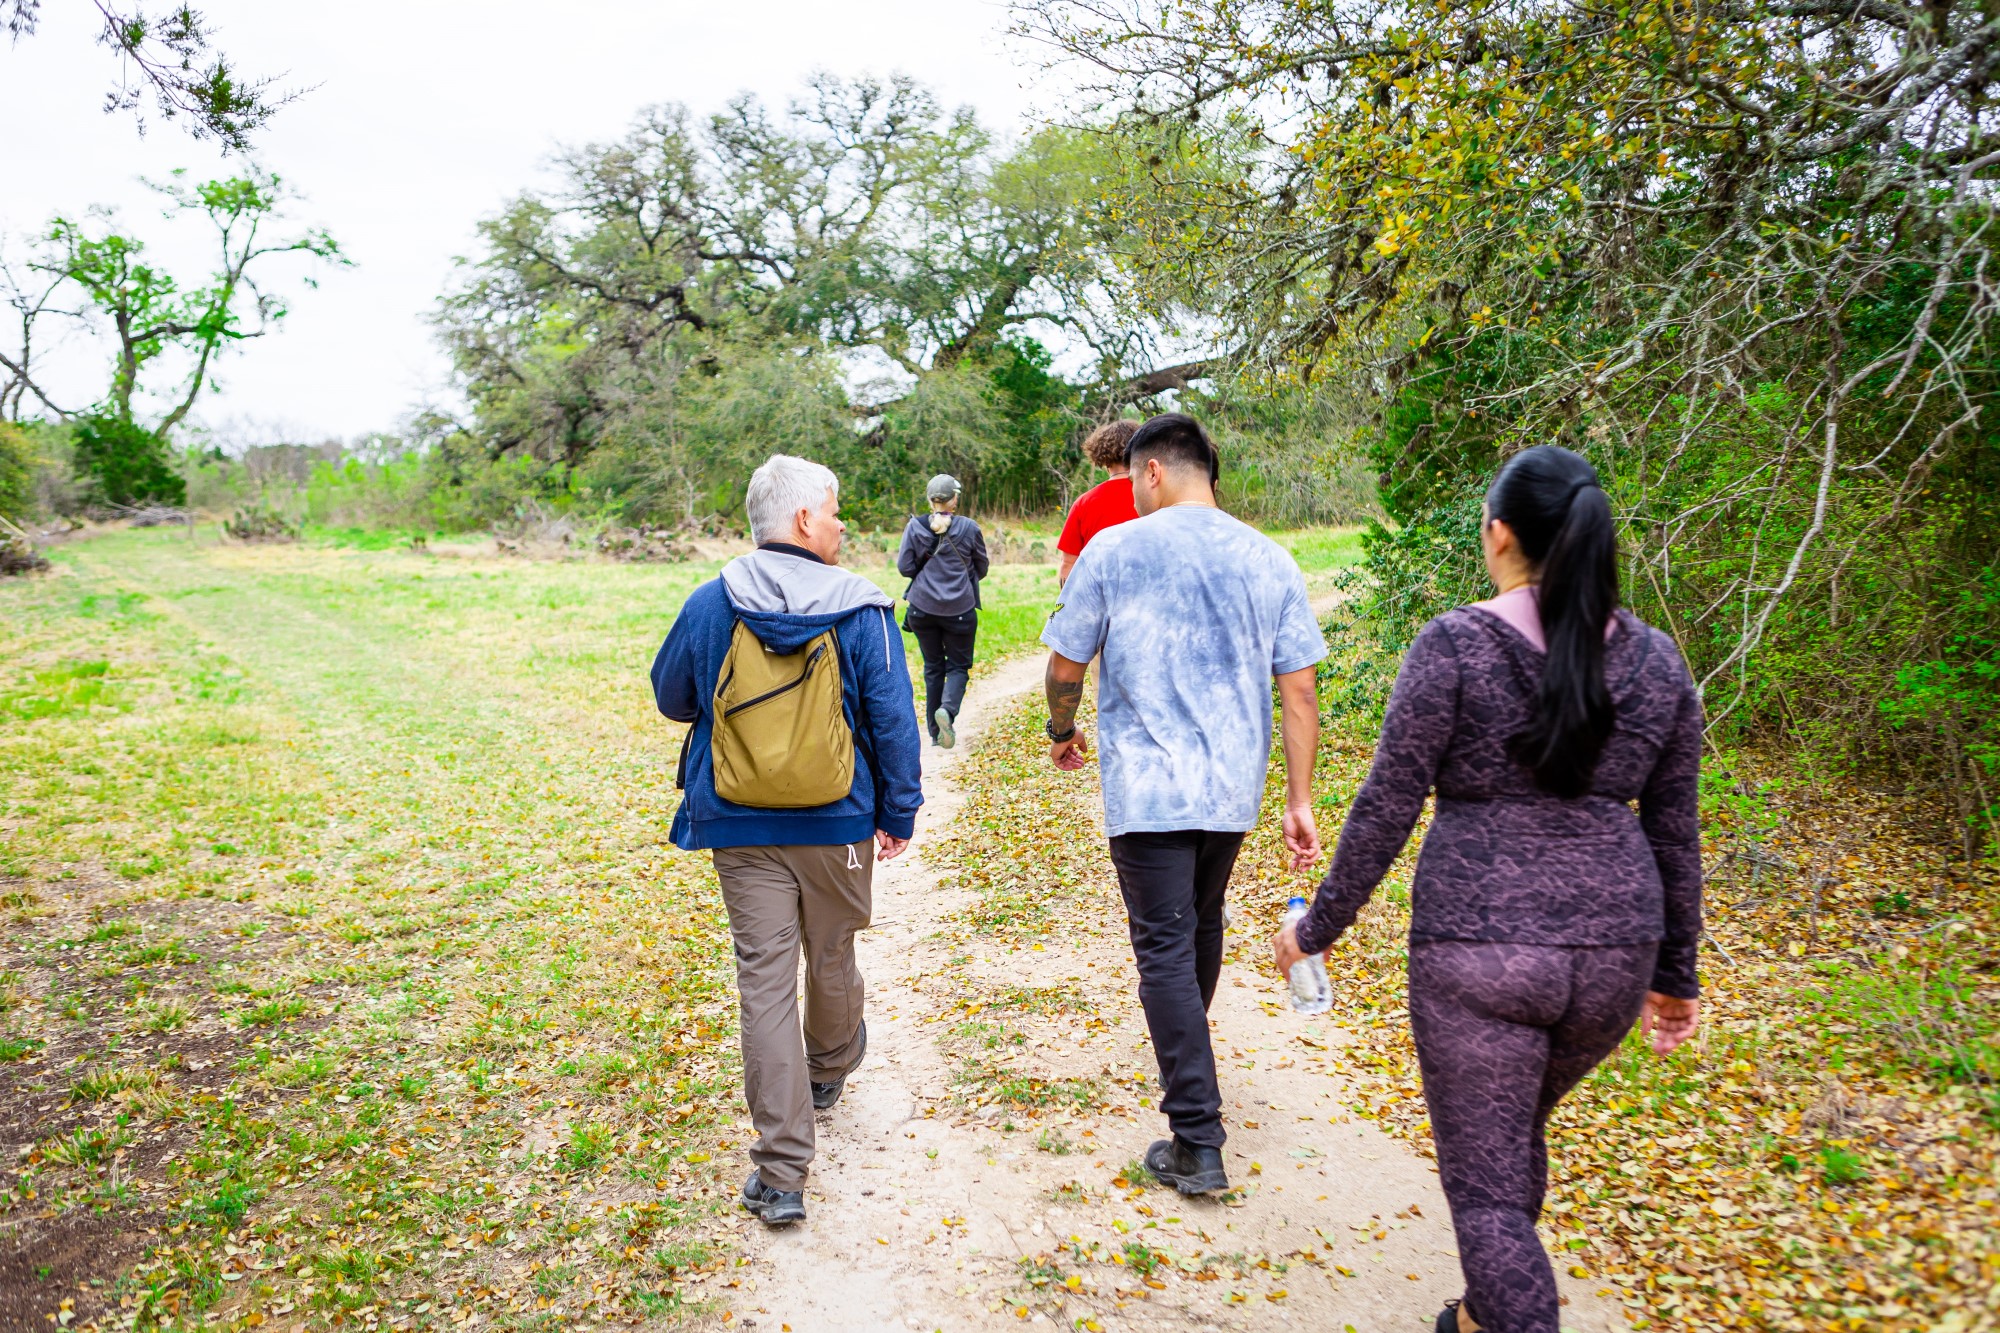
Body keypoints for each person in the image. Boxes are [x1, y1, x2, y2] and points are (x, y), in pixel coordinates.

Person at [1271, 445, 1703, 1333]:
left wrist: (1317, 926)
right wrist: (1676, 973)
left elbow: (1388, 804)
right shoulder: (1660, 664)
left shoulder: (1457, 646)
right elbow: (1673, 830)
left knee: (1489, 1195)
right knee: (1507, 1140)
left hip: (1483, 952)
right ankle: (1475, 1316)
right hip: (1614, 957)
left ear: (1499, 533)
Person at [1040, 412, 1326, 1195]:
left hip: (1148, 791)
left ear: (1155, 471)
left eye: (1133, 478)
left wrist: (1061, 727)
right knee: (1199, 924)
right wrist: (1297, 798)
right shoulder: (1269, 557)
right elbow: (1298, 686)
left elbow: (1066, 662)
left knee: (1165, 945)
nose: (1131, 493)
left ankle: (1197, 1137)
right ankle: (1187, 1051)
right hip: (1231, 788)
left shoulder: (1115, 549)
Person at [651, 454, 923, 1227]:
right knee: (831, 954)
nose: (840, 524)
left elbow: (673, 696)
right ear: (804, 519)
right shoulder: (861, 609)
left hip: (740, 822)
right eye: (834, 510)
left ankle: (780, 1176)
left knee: (765, 982)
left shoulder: (712, 601)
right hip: (838, 823)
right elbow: (892, 718)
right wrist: (897, 812)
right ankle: (831, 1068)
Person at [896, 473, 990, 749]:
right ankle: (947, 712)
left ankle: (936, 735)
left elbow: (905, 568)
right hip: (960, 609)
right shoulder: (970, 528)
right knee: (958, 666)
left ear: (930, 499)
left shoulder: (914, 527)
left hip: (921, 609)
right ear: (955, 500)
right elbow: (981, 566)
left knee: (933, 667)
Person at [1056, 419, 1140, 586]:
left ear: (1103, 458)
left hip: (1098, 599)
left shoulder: (1084, 502)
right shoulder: (1157, 497)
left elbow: (1068, 564)